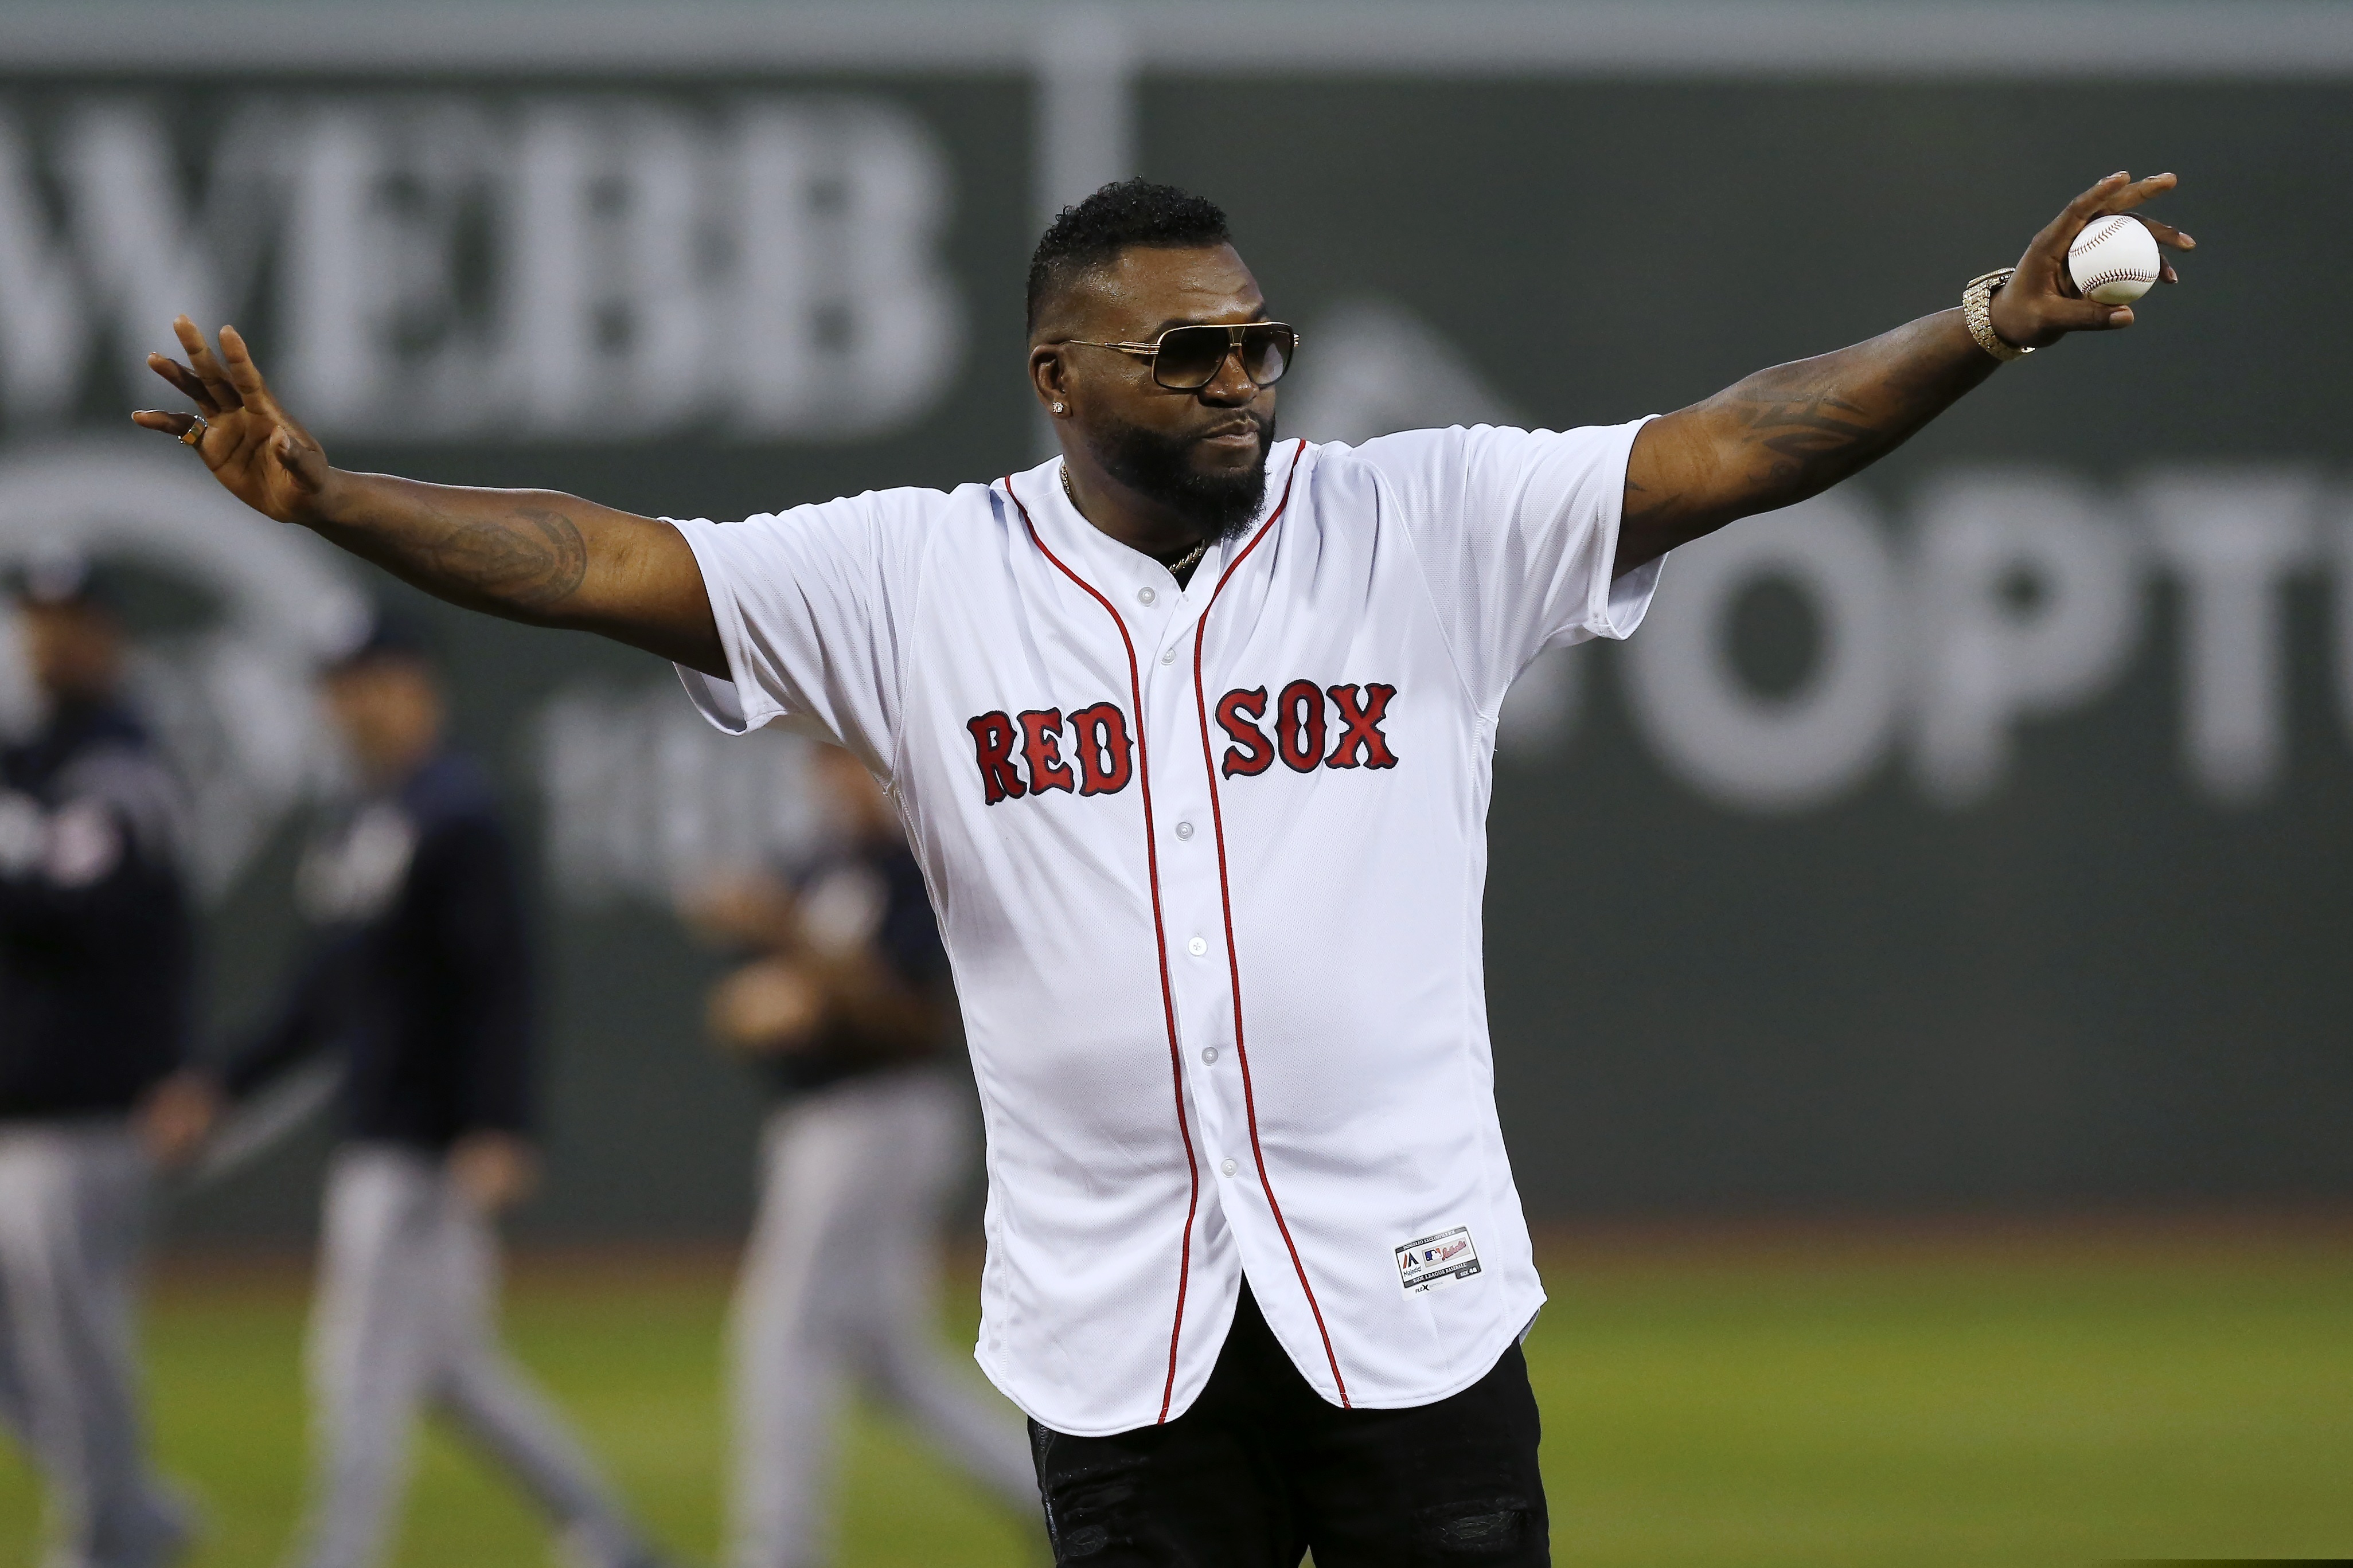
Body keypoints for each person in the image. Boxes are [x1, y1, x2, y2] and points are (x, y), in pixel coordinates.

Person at [131, 169, 2190, 1564]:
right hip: (1120, 1331)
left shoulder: (1423, 521)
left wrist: (1982, 324)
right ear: (1058, 378)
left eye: (1254, 342)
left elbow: (1732, 444)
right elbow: (602, 559)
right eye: (1184, 352)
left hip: (1414, 1295)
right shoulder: (916, 575)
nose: (1237, 378)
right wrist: (332, 500)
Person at [144, 624, 668, 1568]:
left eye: (369, 682)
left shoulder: (458, 813)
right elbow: (318, 996)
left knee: (358, 1370)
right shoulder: (361, 820)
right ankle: (611, 1532)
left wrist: (498, 1122)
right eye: (339, 686)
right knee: (448, 1371)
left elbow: (501, 980)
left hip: (424, 1143)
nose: (351, 703)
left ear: (418, 688)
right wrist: (221, 1084)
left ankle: (339, 1552)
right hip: (380, 1131)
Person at [681, 740, 1036, 1567]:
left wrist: (793, 945)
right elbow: (748, 1004)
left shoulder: (917, 865)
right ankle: (1045, 1499)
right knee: (885, 1358)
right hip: (815, 1120)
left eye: (852, 761)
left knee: (781, 1331)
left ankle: (775, 1549)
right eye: (825, 763)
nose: (838, 780)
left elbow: (912, 1017)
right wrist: (763, 997)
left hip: (886, 1111)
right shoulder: (815, 866)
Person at [0, 563, 196, 1568]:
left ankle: (107, 1538)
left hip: (92, 1103)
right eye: (37, 620)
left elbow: (79, 907)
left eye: (69, 621)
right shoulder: (29, 759)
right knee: (30, 1350)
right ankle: (135, 1510)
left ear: (110, 634)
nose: (49, 640)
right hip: (24, 1107)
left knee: (79, 1349)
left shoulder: (122, 764)